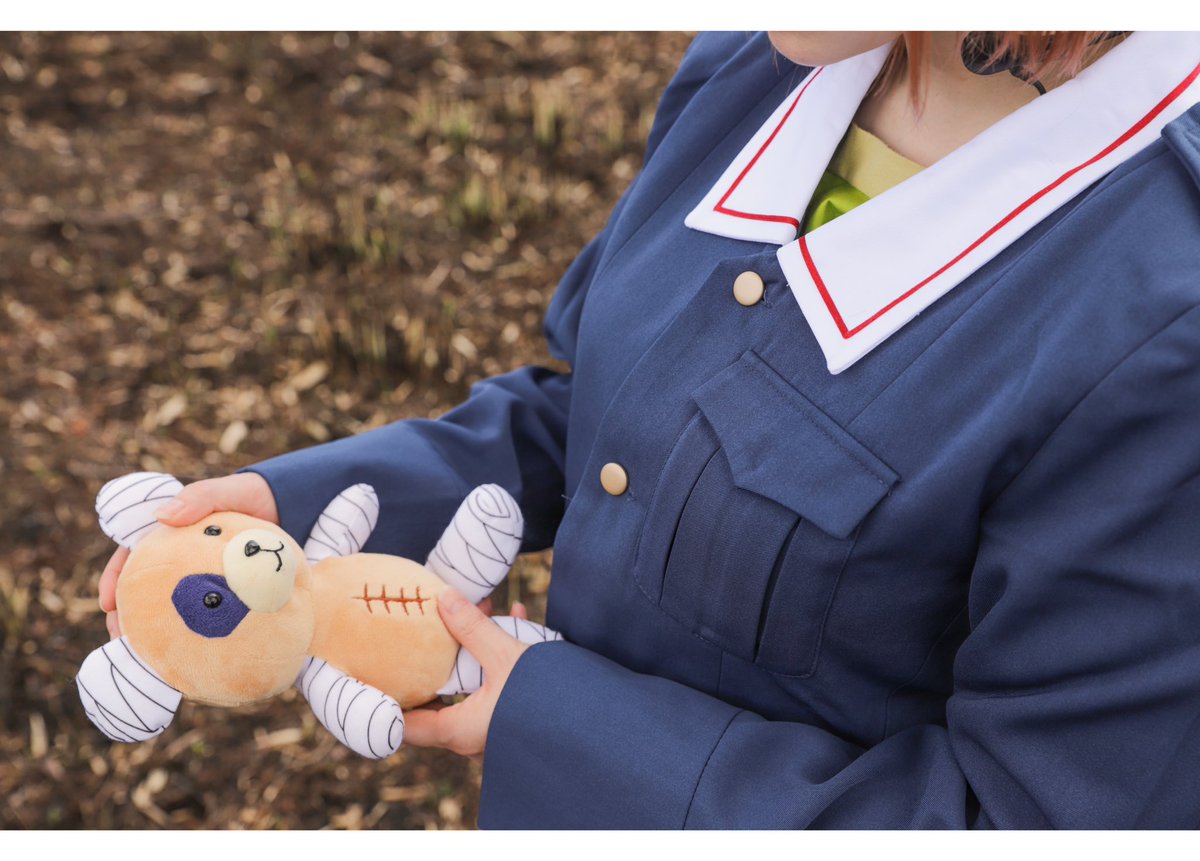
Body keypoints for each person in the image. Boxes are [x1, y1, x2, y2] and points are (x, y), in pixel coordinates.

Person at [99, 31, 1200, 827]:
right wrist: (292, 511)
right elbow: (604, 412)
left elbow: (1039, 819)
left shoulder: (1162, 319)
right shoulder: (760, 66)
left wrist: (563, 725)